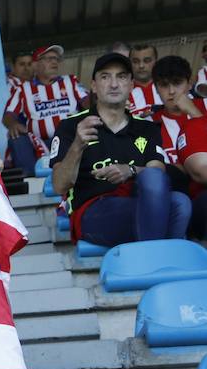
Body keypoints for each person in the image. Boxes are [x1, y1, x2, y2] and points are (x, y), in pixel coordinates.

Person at [50, 52, 189, 246]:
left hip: (140, 200)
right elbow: (59, 185)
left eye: (121, 76)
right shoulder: (71, 126)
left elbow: (158, 171)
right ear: (93, 85)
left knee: (181, 203)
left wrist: (130, 170)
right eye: (105, 77)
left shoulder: (147, 127)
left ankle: (148, 260)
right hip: (93, 209)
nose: (114, 84)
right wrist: (77, 145)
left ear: (131, 85)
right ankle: (158, 262)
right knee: (166, 209)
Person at [3, 44, 87, 174]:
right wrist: (13, 124)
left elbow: (87, 102)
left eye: (56, 59)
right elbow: (8, 115)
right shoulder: (23, 89)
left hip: (70, 139)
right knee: (16, 138)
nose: (54, 62)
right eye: (49, 59)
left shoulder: (70, 81)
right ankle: (32, 180)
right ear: (36, 65)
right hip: (39, 143)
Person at [151, 55, 204, 166]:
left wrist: (194, 113)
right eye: (164, 85)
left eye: (177, 82)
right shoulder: (150, 124)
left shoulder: (206, 105)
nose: (171, 91)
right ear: (156, 88)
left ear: (190, 84)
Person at [127, 43, 161, 117]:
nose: (141, 66)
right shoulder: (122, 94)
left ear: (156, 62)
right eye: (136, 61)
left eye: (147, 61)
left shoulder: (169, 88)